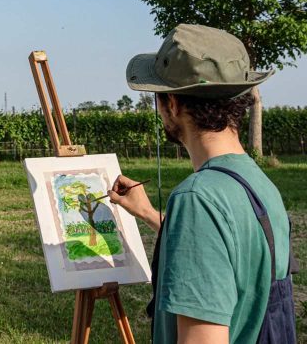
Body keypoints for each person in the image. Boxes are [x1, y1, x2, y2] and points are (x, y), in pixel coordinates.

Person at [108, 24, 297, 344]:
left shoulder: (198, 200)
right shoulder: (257, 182)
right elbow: (228, 252)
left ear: (173, 105)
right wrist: (150, 214)